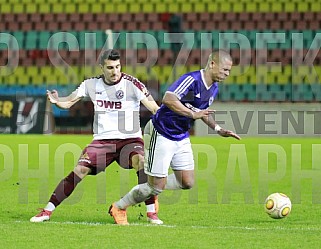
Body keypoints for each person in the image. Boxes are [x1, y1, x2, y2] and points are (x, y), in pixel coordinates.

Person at [30, 49, 163, 225]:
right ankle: (47, 210)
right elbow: (69, 101)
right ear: (101, 68)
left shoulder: (133, 84)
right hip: (102, 141)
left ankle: (151, 213)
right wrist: (57, 101)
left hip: (130, 139)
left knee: (141, 161)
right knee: (79, 170)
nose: (115, 71)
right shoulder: (90, 85)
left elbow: (154, 108)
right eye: (110, 67)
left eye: (117, 67)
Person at [109, 50, 241, 225]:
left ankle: (153, 186)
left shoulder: (214, 88)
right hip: (161, 131)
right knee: (155, 186)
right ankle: (119, 206)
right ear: (212, 64)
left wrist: (218, 128)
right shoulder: (192, 80)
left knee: (187, 182)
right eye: (225, 69)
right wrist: (192, 115)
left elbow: (201, 112)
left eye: (229, 71)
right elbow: (168, 99)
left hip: (181, 135)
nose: (227, 74)